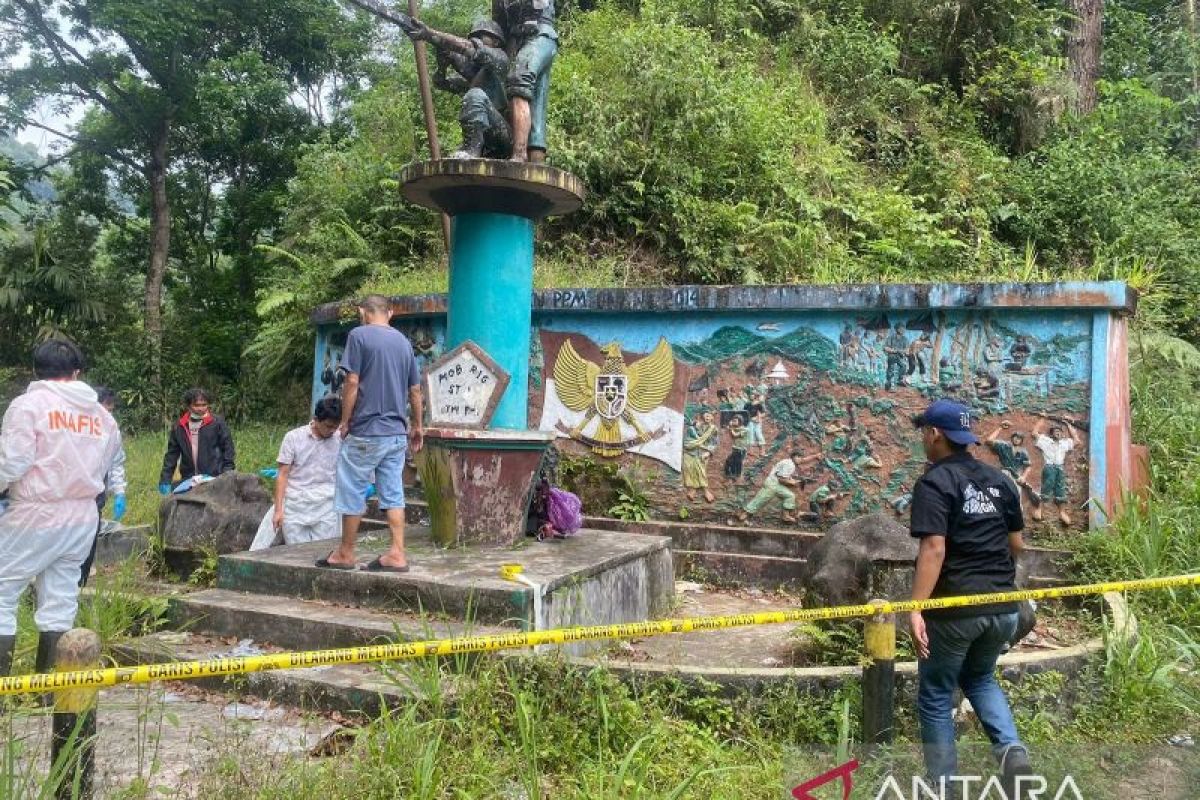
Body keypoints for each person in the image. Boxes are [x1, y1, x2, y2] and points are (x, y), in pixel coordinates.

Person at [908, 399, 1032, 795]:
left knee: (936, 691)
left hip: (956, 609)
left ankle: (943, 785)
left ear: (935, 435)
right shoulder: (999, 480)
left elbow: (933, 548)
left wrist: (916, 608)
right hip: (1003, 608)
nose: (923, 438)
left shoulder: (935, 482)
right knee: (979, 677)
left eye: (924, 432)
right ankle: (1011, 750)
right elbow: (1017, 545)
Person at [0, 340, 121, 677]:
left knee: (2, 593)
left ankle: (3, 694)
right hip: (82, 516)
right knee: (60, 600)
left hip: (35, 513)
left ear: (36, 370)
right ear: (77, 372)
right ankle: (51, 693)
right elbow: (106, 465)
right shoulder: (103, 417)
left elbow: (12, 464)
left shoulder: (28, 406)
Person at [319, 295, 424, 572]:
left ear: (362, 312)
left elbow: (351, 382)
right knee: (393, 492)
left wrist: (345, 420)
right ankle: (397, 553)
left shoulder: (359, 335)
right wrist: (417, 426)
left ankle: (345, 553)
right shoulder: (403, 343)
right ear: (389, 313)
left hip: (367, 430)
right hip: (396, 434)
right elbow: (415, 390)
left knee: (352, 488)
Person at [408, 18, 513, 159]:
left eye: (481, 36)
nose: (476, 39)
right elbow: (441, 82)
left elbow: (470, 49)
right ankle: (472, 147)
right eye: (473, 36)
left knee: (475, 95)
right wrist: (443, 63)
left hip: (503, 136)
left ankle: (472, 150)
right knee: (473, 93)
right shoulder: (474, 77)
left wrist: (429, 34)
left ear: (496, 42)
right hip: (486, 139)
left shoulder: (500, 59)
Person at [267, 397, 344, 546]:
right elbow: (282, 475)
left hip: (326, 505)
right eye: (328, 426)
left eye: (335, 426)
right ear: (316, 419)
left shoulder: (339, 439)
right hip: (296, 504)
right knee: (296, 553)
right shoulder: (293, 438)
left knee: (323, 551)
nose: (332, 431)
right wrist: (278, 510)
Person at [495, 0, 558, 162]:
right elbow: (501, 29)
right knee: (536, 95)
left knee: (519, 78)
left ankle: (519, 153)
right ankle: (536, 156)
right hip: (520, 42)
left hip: (540, 34)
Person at [79, 386, 127, 587]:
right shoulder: (77, 426)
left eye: (111, 410)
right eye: (105, 408)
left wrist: (120, 492)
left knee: (89, 544)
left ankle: (80, 584)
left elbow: (116, 462)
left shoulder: (111, 430)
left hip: (96, 496)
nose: (108, 414)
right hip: (71, 495)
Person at [159, 388, 236, 494]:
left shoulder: (217, 424)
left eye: (204, 405)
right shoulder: (179, 426)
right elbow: (172, 455)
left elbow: (228, 449)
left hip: (214, 477)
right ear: (188, 406)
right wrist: (165, 479)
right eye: (196, 405)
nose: (200, 408)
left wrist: (227, 473)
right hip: (189, 479)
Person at [737, 451, 820, 525]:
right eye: (799, 457)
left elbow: (803, 461)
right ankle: (743, 515)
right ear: (794, 457)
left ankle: (786, 516)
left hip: (776, 485)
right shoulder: (789, 464)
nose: (800, 460)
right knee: (760, 500)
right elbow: (781, 479)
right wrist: (793, 482)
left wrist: (815, 456)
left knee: (790, 496)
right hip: (772, 485)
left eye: (801, 458)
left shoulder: (790, 462)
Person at [1033, 419, 1079, 525]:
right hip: (1049, 467)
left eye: (1059, 431)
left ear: (1062, 433)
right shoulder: (1046, 441)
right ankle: (1039, 509)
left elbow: (1076, 440)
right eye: (1055, 431)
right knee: (1046, 487)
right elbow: (1034, 433)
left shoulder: (1065, 443)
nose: (1057, 433)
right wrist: (1042, 418)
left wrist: (1068, 425)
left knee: (1060, 489)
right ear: (1051, 433)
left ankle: (1062, 513)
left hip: (1060, 468)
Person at [986, 422, 1040, 511]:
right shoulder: (1003, 446)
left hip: (1016, 476)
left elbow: (1028, 466)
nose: (1017, 439)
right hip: (1004, 472)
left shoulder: (1023, 452)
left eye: (1019, 438)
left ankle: (1017, 516)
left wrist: (1023, 477)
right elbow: (989, 441)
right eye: (1015, 437)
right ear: (1012, 437)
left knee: (1016, 497)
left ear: (1022, 440)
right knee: (1000, 494)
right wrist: (1000, 428)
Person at [682, 411, 718, 503]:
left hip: (703, 452)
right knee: (689, 468)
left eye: (709, 416)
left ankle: (706, 490)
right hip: (692, 450)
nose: (707, 417)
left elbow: (714, 443)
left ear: (712, 418)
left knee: (700, 470)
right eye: (705, 415)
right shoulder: (696, 426)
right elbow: (689, 438)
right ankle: (692, 489)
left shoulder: (713, 429)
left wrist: (709, 452)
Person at [883, 324, 908, 390]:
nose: (902, 330)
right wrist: (894, 351)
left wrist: (902, 352)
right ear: (896, 329)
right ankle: (889, 382)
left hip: (900, 356)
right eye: (900, 328)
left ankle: (900, 380)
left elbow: (906, 350)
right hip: (892, 355)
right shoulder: (891, 337)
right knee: (891, 367)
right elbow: (885, 348)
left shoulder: (904, 339)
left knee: (904, 365)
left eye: (903, 329)